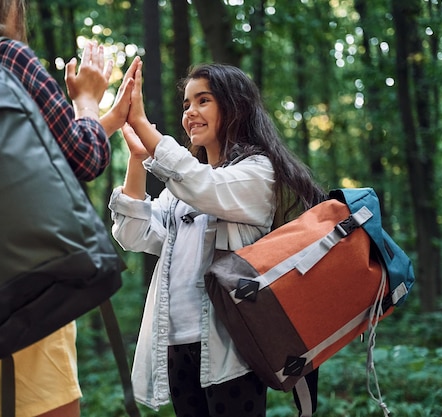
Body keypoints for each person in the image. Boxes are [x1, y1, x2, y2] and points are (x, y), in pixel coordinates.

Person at [0, 1, 138, 417]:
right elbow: (84, 160)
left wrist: (102, 121)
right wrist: (87, 99)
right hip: (18, 289)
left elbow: (40, 164)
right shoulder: (8, 57)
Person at [109, 60, 325, 416]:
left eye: (203, 100)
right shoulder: (181, 192)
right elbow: (134, 233)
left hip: (230, 349)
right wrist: (137, 157)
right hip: (177, 344)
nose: (191, 112)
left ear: (234, 107)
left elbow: (204, 186)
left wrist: (142, 123)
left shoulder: (256, 173)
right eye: (186, 104)